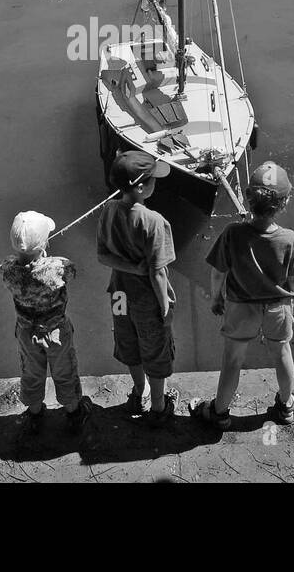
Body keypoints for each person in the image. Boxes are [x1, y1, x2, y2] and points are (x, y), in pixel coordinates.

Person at [191, 161, 294, 429]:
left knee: (232, 360)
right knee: (282, 353)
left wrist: (217, 298)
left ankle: (219, 412)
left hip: (241, 307)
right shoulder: (289, 239)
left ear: (247, 198)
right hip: (278, 307)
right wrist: (292, 301)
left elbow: (218, 272)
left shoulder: (233, 233)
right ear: (284, 202)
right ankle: (286, 405)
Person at [96, 150, 178, 426]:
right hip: (146, 299)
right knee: (154, 347)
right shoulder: (154, 222)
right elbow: (157, 272)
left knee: (128, 340)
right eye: (154, 179)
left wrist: (130, 268)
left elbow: (102, 256)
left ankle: (138, 391)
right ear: (141, 187)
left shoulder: (107, 211)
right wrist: (165, 307)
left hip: (118, 294)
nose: (157, 182)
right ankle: (158, 405)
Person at [0, 211, 95, 434]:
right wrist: (49, 256)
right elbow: (71, 269)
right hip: (56, 332)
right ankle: (73, 411)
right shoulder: (56, 269)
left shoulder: (7, 271)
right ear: (44, 243)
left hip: (26, 331)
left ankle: (34, 413)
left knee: (31, 372)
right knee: (64, 371)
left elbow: (11, 265)